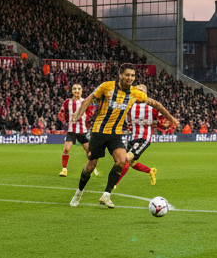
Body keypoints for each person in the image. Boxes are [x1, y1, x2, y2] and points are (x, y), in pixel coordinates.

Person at [68, 63, 179, 208]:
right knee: (91, 165)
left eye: (133, 75)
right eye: (127, 75)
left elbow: (156, 104)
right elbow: (88, 99)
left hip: (115, 134)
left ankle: (106, 195)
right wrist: (78, 114)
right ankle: (79, 192)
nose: (130, 78)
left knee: (121, 160)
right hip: (99, 132)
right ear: (120, 75)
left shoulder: (135, 93)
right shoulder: (107, 87)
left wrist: (172, 119)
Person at [113, 84, 160, 188]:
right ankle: (150, 171)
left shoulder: (151, 107)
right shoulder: (130, 107)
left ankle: (114, 184)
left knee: (125, 159)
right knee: (132, 163)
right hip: (133, 138)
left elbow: (162, 120)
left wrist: (159, 124)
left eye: (141, 91)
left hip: (144, 139)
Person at [58, 83, 96, 178]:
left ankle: (91, 167)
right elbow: (61, 114)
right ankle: (64, 169)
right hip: (71, 130)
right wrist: (67, 121)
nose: (77, 91)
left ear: (82, 91)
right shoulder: (67, 102)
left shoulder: (85, 102)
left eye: (79, 89)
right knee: (66, 149)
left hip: (82, 131)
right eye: (74, 89)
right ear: (72, 91)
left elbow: (91, 114)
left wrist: (88, 124)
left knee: (89, 152)